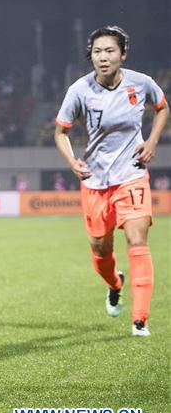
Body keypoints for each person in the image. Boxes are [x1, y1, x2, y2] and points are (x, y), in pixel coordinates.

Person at [55, 25, 167, 337]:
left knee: (137, 240)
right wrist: (72, 161)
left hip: (132, 175)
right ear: (90, 56)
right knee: (100, 250)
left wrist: (152, 141)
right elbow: (61, 132)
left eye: (109, 51)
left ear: (122, 55)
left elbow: (162, 108)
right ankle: (115, 283)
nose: (103, 57)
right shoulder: (80, 90)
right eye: (97, 52)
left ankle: (140, 320)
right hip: (95, 181)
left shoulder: (141, 83)